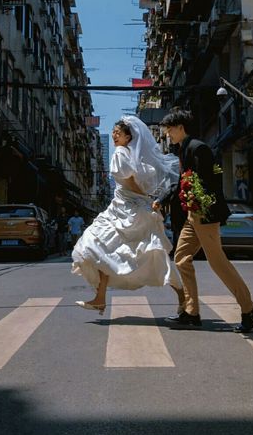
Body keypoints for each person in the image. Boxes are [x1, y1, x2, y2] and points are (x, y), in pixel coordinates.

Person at [153, 108, 253, 333]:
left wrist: (198, 205)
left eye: (169, 130)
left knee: (218, 262)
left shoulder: (198, 148)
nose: (167, 135)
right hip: (193, 214)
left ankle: (249, 307)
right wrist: (165, 198)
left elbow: (208, 182)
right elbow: (183, 181)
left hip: (205, 213)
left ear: (180, 128)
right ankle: (191, 312)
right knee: (182, 258)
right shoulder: (184, 149)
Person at [72, 116, 183, 315]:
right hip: (127, 210)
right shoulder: (135, 155)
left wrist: (146, 198)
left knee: (95, 246)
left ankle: (184, 295)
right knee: (103, 250)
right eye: (113, 132)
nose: (114, 135)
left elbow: (130, 182)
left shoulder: (121, 153)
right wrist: (148, 200)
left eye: (118, 133)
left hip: (128, 210)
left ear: (128, 136)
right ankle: (100, 298)